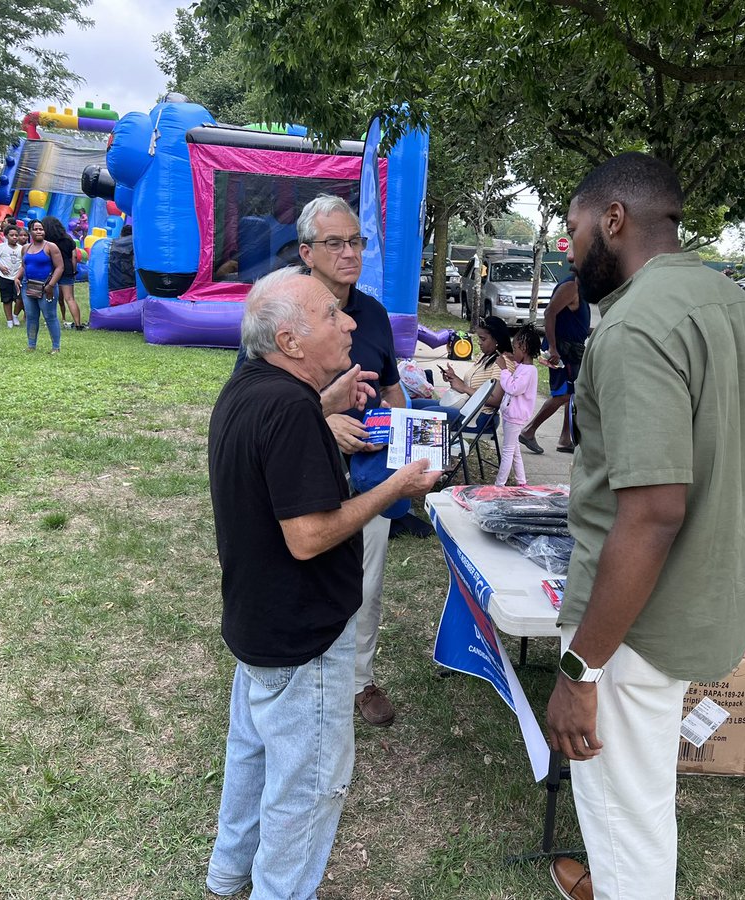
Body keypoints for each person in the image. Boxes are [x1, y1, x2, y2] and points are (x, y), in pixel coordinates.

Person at [546, 153, 745, 900]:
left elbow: (652, 515)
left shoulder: (633, 331)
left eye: (575, 228)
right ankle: (621, 877)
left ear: (612, 220)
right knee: (640, 791)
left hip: (632, 623)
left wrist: (578, 671)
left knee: (625, 806)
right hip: (705, 600)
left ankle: (625, 882)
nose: (570, 245)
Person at [205, 268, 440, 898]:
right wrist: (398, 488)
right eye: (332, 316)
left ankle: (229, 877)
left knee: (252, 762)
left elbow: (281, 427)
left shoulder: (250, 389)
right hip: (303, 634)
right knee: (309, 786)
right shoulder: (287, 411)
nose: (351, 322)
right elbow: (307, 535)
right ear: (290, 342)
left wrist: (325, 401)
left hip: (258, 623)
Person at [296, 193, 406, 728]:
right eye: (334, 242)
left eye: (356, 241)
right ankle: (301, 678)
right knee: (304, 575)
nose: (349, 252)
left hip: (367, 476)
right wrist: (321, 422)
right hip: (298, 477)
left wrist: (409, 438)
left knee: (366, 578)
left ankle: (359, 680)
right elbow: (258, 404)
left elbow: (392, 390)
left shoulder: (375, 315)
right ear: (306, 252)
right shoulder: (281, 311)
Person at [519, 275, 589, 454]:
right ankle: (529, 431)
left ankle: (566, 439)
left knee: (572, 394)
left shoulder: (580, 286)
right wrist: (553, 347)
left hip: (573, 350)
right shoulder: (571, 286)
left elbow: (574, 322)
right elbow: (549, 312)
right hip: (563, 352)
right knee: (563, 395)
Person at [412, 315, 512, 424]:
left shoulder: (503, 362)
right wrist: (454, 378)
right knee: (413, 405)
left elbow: (496, 401)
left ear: (497, 339)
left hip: (479, 417)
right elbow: (473, 388)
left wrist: (464, 388)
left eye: (483, 339)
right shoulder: (485, 356)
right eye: (479, 338)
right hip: (465, 408)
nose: (479, 342)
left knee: (425, 414)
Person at [494, 325, 539, 486]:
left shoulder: (530, 371)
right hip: (510, 414)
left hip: (516, 416)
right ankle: (522, 481)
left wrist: (504, 370)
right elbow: (519, 372)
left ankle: (499, 485)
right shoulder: (524, 368)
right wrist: (513, 358)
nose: (514, 351)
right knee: (514, 451)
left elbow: (514, 388)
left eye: (516, 348)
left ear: (524, 348)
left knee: (507, 451)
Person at [18, 220, 65, 354]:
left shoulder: (51, 247)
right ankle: (31, 345)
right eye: (36, 229)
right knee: (31, 316)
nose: (39, 232)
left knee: (50, 316)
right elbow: (24, 265)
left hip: (46, 287)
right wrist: (17, 277)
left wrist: (50, 285)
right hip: (28, 285)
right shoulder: (25, 248)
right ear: (30, 232)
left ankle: (56, 347)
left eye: (41, 229)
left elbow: (60, 267)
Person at [43, 216, 84, 330]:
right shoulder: (68, 238)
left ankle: (51, 322)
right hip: (67, 269)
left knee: (50, 296)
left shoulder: (47, 241)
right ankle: (78, 324)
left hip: (52, 269)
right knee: (69, 298)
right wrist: (73, 270)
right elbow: (74, 256)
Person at [0, 225, 24, 327]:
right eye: (11, 235)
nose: (14, 237)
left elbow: (24, 263)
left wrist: (18, 275)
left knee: (20, 299)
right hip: (4, 277)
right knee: (7, 299)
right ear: (6, 236)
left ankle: (15, 315)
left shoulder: (22, 249)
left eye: (16, 235)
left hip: (17, 277)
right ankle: (9, 320)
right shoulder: (1, 247)